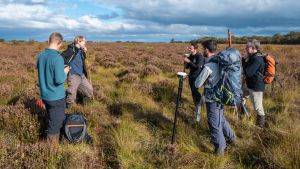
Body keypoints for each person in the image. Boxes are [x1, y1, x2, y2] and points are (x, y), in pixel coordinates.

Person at [195, 40, 236, 155]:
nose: (203, 51)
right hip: (222, 97)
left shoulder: (209, 65)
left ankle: (220, 150)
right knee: (221, 120)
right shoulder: (221, 61)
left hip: (212, 99)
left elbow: (197, 84)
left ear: (207, 50)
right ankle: (232, 139)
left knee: (214, 124)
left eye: (203, 49)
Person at [37, 32, 70, 143]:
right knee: (55, 124)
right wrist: (65, 71)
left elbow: (44, 71)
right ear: (59, 43)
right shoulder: (57, 58)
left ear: (48, 41)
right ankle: (51, 151)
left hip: (45, 95)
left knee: (50, 117)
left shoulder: (40, 56)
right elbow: (59, 80)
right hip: (56, 97)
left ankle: (44, 136)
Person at [61, 36, 93, 108]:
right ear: (79, 41)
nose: (85, 43)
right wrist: (66, 67)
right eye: (84, 41)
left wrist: (85, 52)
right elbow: (62, 57)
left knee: (89, 91)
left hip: (81, 75)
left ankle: (84, 106)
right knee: (72, 94)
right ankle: (69, 109)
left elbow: (83, 60)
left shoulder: (81, 50)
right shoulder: (70, 50)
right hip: (73, 75)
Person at [242, 39, 266, 127]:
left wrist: (244, 62)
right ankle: (244, 115)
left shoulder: (257, 59)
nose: (245, 48)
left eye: (247, 46)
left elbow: (248, 72)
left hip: (256, 87)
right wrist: (244, 60)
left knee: (258, 107)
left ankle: (260, 126)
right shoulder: (252, 57)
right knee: (240, 98)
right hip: (249, 85)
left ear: (253, 48)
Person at [184, 43, 205, 123]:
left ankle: (200, 104)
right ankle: (198, 104)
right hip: (191, 77)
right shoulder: (191, 56)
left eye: (190, 48)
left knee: (195, 93)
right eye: (189, 48)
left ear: (195, 49)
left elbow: (197, 67)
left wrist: (189, 61)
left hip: (197, 77)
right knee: (193, 93)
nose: (189, 49)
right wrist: (186, 61)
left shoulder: (199, 56)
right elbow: (187, 67)